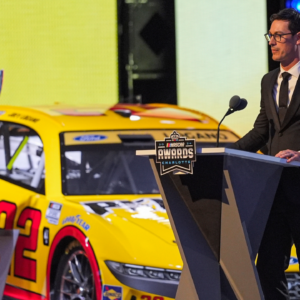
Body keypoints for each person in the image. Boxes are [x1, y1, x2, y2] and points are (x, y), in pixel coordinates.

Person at [230, 8, 300, 300]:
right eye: (270, 36)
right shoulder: (268, 80)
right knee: (269, 270)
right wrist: (224, 152)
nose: (272, 42)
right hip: (273, 191)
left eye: (279, 36)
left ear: (298, 39)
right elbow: (261, 131)